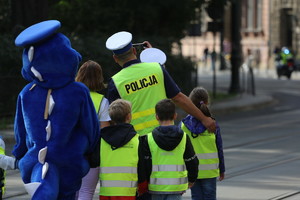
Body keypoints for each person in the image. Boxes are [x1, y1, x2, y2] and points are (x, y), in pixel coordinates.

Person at [12, 20, 100, 199]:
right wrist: (91, 151)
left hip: (35, 161)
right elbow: (90, 127)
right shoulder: (78, 91)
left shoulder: (26, 93)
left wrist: (20, 153)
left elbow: (20, 130)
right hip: (70, 159)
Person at [105, 31, 216, 136]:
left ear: (115, 58)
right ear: (134, 51)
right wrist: (204, 119)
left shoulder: (115, 82)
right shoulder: (157, 68)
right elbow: (178, 98)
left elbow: (113, 118)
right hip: (166, 135)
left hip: (136, 141)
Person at [141, 99, 198, 200]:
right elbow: (192, 161)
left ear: (156, 117)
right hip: (176, 186)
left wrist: (144, 183)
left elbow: (145, 164)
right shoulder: (184, 137)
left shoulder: (149, 138)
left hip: (155, 187)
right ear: (175, 115)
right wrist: (191, 180)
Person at [181, 87, 225, 200]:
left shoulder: (183, 126)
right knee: (210, 197)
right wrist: (222, 169)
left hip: (192, 171)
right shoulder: (212, 124)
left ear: (190, 103)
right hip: (210, 171)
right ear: (206, 102)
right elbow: (219, 147)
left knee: (196, 197)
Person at [75, 60, 111, 200]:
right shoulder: (102, 101)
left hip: (71, 150)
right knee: (86, 191)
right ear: (99, 78)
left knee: (72, 190)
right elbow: (105, 131)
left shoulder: (71, 97)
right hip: (91, 153)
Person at [98, 99, 146, 200]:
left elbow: (95, 161)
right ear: (129, 116)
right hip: (128, 192)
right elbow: (141, 166)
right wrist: (142, 187)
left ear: (111, 117)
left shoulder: (102, 139)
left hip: (107, 193)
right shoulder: (136, 139)